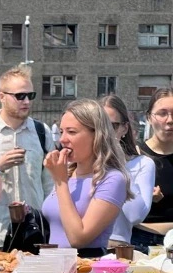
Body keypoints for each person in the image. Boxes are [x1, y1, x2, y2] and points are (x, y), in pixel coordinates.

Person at [0, 65, 54, 251]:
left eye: (30, 95)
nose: (26, 101)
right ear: (2, 96)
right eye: (20, 96)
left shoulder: (42, 132)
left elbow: (50, 185)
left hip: (34, 233)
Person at [42, 99, 131, 256]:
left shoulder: (112, 179)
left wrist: (61, 183)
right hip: (53, 266)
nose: (62, 139)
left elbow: (78, 238)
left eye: (72, 132)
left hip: (85, 270)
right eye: (61, 131)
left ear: (96, 135)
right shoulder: (67, 173)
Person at [100, 95, 156, 249]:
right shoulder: (80, 162)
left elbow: (135, 215)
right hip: (77, 246)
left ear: (124, 128)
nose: (105, 133)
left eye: (112, 126)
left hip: (115, 247)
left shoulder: (142, 164)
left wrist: (117, 165)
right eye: (99, 126)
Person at [135, 86, 173, 250]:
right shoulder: (135, 155)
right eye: (162, 113)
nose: (169, 120)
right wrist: (143, 198)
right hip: (141, 240)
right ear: (149, 117)